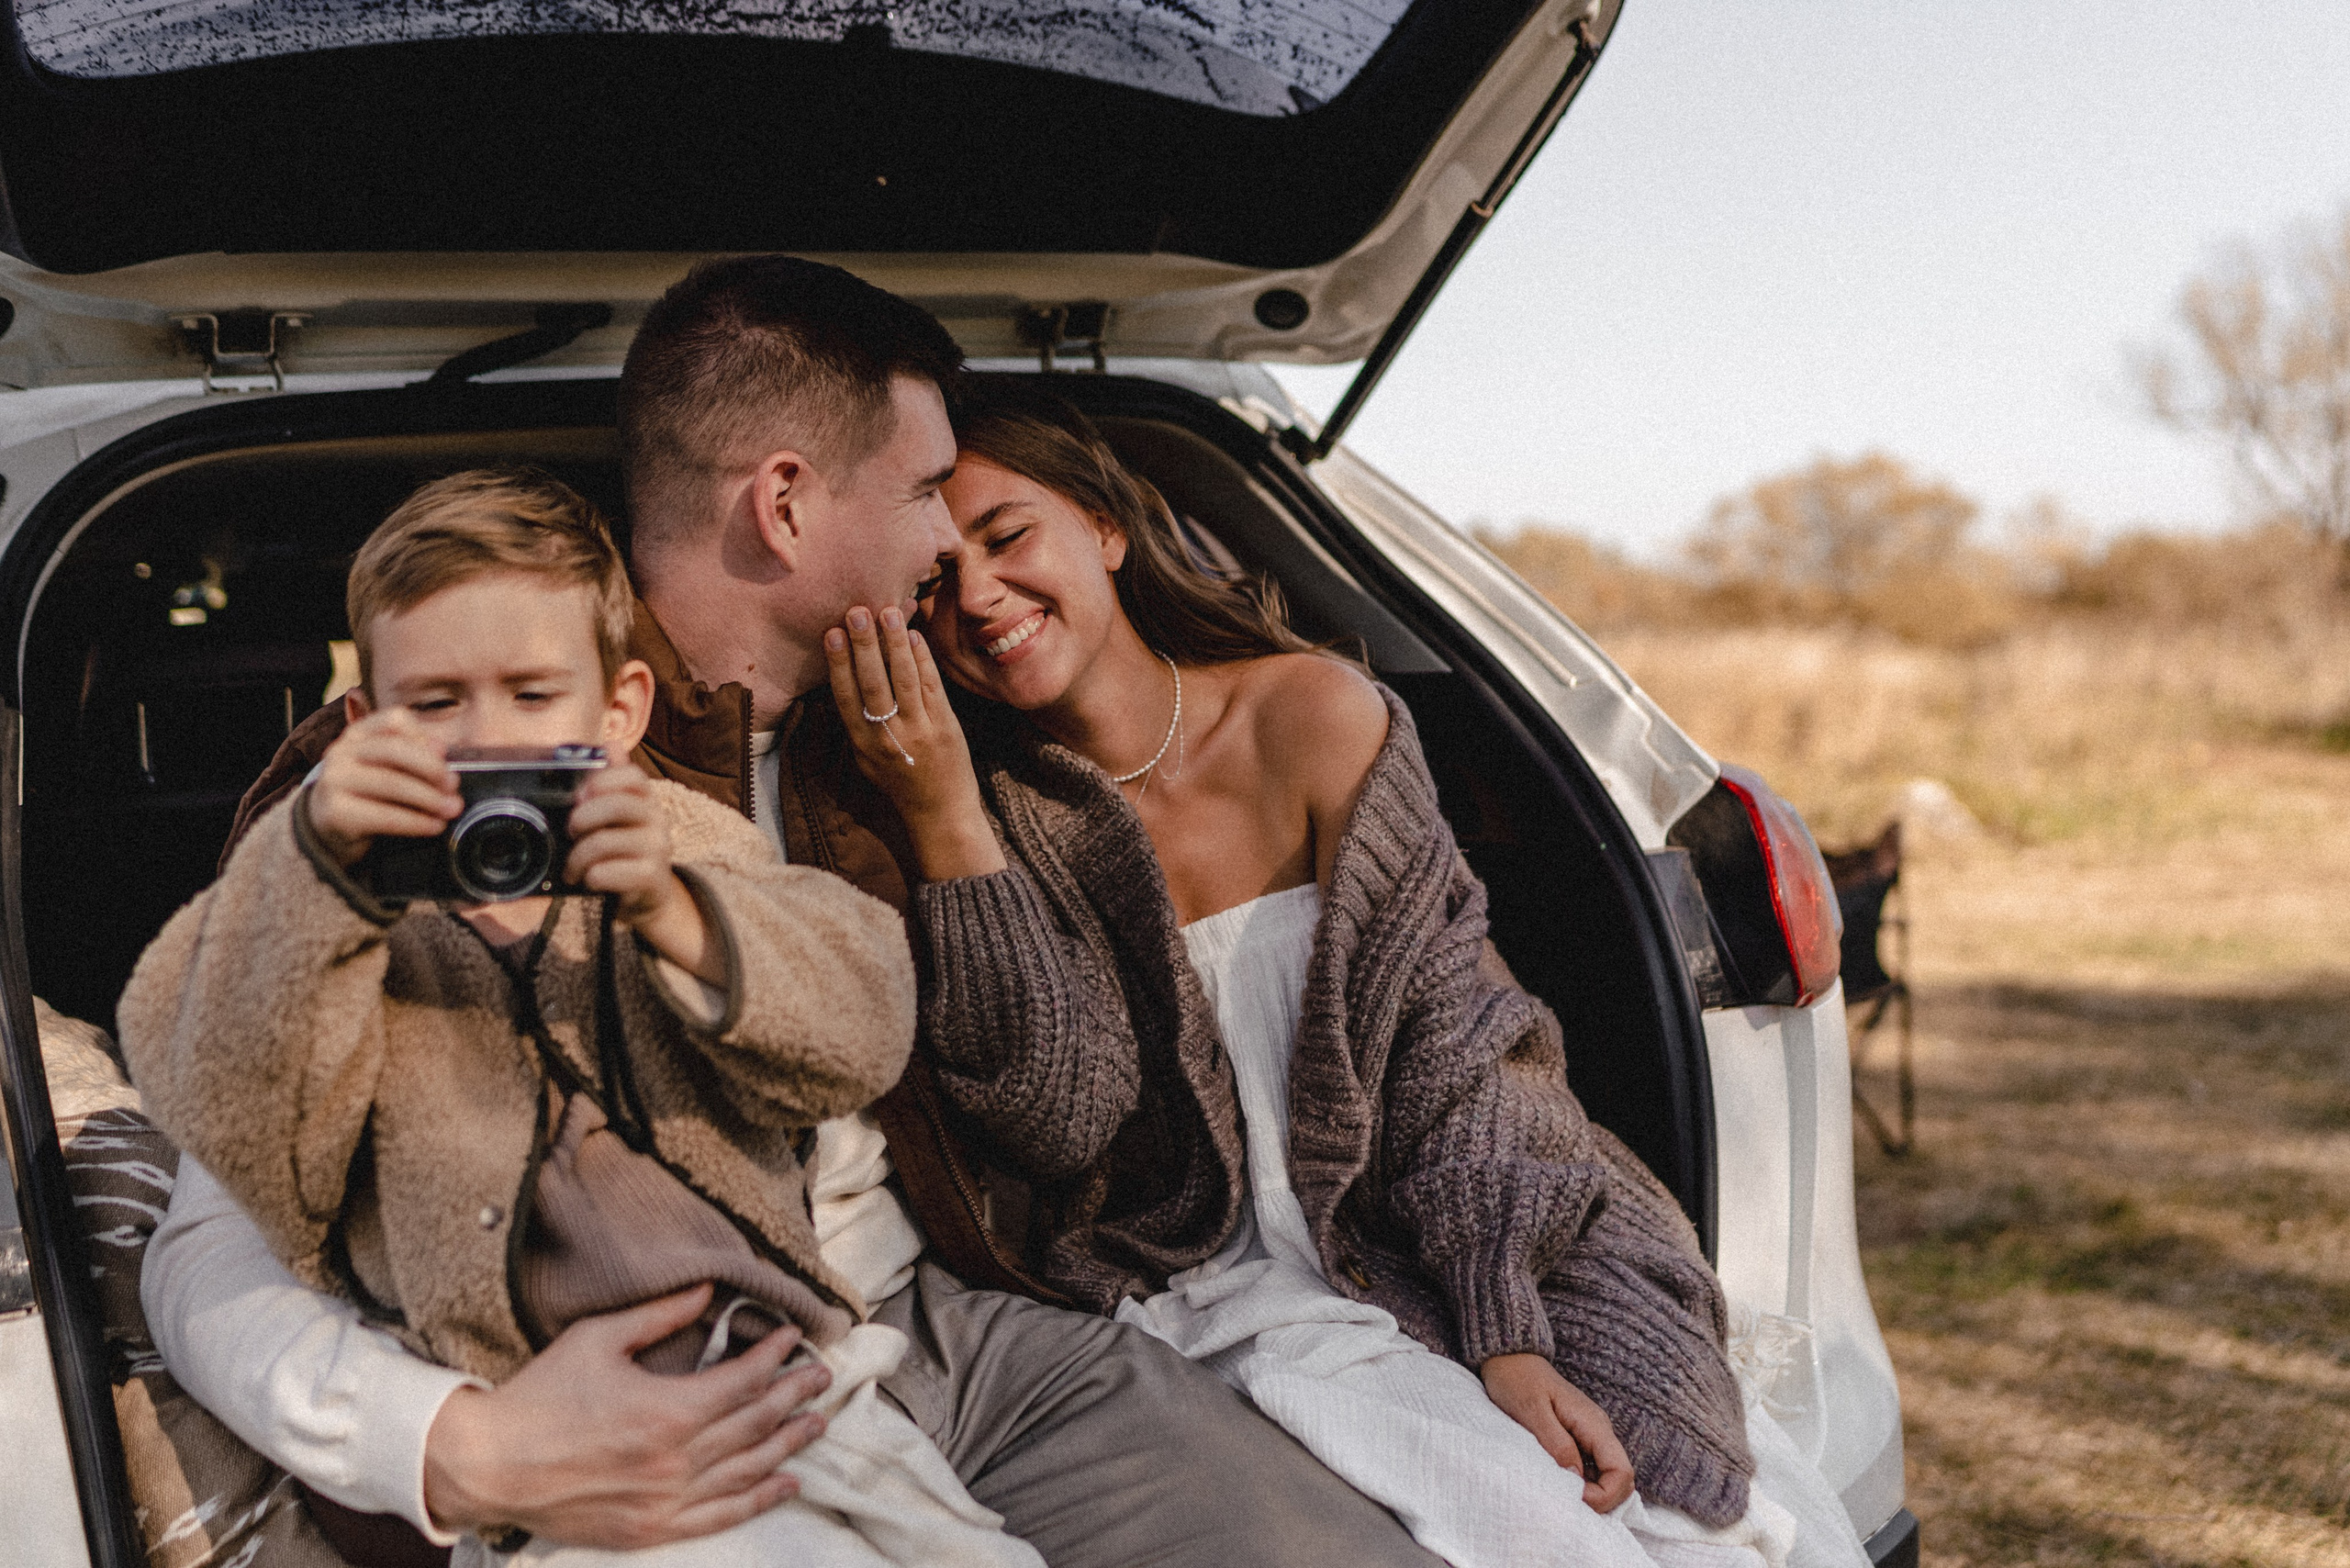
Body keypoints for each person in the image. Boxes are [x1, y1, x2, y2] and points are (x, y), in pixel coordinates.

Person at [139, 256, 1447, 1568]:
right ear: (784, 503)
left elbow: (1069, 1117)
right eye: (929, 489)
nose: (949, 541)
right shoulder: (420, 787)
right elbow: (213, 1238)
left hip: (942, 1332)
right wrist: (457, 1446)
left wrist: (950, 827)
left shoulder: (919, 740)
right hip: (651, 1380)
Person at [819, 386, 1876, 1568]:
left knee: (1706, 1515)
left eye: (1008, 537)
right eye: (933, 581)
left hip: (1457, 1220)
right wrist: (947, 818)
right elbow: (1055, 1122)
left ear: (1106, 528)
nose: (977, 597)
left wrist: (1502, 1326)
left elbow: (1460, 1045)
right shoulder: (971, 810)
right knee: (1538, 1536)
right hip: (1209, 1284)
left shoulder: (1313, 714)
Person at [119, 469, 1039, 1568]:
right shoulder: (327, 915)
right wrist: (311, 874)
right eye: (434, 704)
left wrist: (676, 911)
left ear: (620, 714)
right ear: (359, 727)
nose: (486, 744)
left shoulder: (683, 848)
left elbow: (864, 1011)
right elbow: (208, 1080)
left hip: (805, 1402)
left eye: (530, 694)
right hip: (558, 1460)